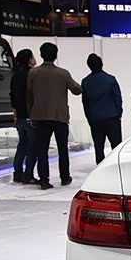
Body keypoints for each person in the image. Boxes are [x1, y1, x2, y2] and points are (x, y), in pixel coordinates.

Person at [27, 42, 82, 190]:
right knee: (62, 149)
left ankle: (44, 180)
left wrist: (31, 114)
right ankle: (65, 177)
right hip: (60, 116)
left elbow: (29, 95)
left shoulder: (33, 73)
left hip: (40, 116)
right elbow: (76, 89)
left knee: (42, 150)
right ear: (56, 55)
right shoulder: (63, 73)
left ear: (41, 54)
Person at [81, 53, 123, 164]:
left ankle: (100, 168)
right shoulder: (111, 79)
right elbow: (118, 98)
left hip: (95, 118)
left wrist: (89, 118)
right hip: (112, 117)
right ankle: (116, 166)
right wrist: (119, 113)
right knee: (116, 146)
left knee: (98, 147)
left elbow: (85, 103)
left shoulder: (85, 82)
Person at [9, 48, 38, 184]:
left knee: (22, 145)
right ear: (29, 60)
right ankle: (29, 175)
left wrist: (15, 114)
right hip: (31, 116)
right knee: (32, 147)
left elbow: (13, 96)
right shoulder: (32, 75)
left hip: (20, 116)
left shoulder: (15, 76)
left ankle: (18, 173)